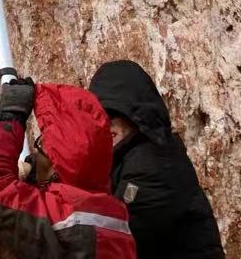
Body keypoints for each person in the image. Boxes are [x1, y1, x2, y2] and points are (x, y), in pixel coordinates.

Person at [0, 77, 137, 258]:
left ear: (55, 166)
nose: (35, 151)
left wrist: (10, 117)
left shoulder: (63, 220)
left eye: (41, 146)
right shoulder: (116, 217)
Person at [89, 61, 224, 259]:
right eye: (99, 116)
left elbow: (114, 234)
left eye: (114, 113)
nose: (107, 123)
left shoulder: (153, 163)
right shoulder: (124, 157)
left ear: (135, 115)